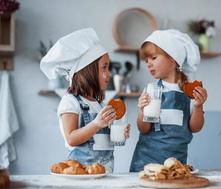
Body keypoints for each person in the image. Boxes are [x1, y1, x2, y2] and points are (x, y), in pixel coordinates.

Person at [40, 28, 130, 173]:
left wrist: (118, 135)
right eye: (104, 68)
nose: (109, 74)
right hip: (80, 176)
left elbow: (102, 142)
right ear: (87, 72)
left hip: (106, 175)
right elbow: (71, 138)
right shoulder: (70, 101)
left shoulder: (100, 104)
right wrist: (96, 124)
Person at [130, 29, 208, 172]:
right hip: (145, 163)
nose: (148, 64)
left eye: (153, 58)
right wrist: (142, 111)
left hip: (175, 166)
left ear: (173, 58)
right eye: (146, 60)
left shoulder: (190, 92)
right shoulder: (150, 90)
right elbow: (143, 129)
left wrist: (198, 106)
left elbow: (195, 128)